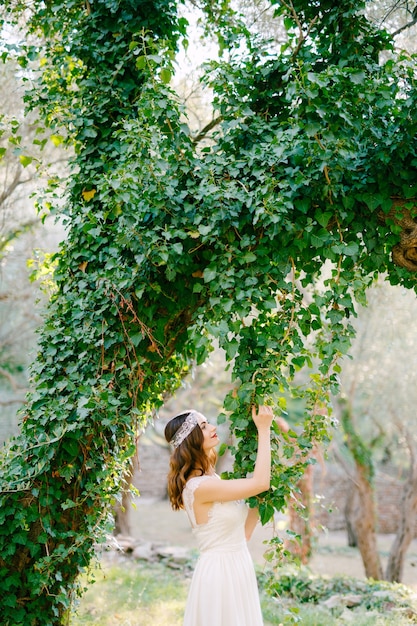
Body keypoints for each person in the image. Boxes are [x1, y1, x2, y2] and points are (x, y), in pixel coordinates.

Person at [164, 404, 274, 626]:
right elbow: (261, 482)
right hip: (219, 574)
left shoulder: (214, 480)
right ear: (192, 439)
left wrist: (259, 497)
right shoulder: (198, 487)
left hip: (239, 564)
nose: (212, 427)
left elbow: (243, 534)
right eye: (204, 426)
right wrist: (264, 429)